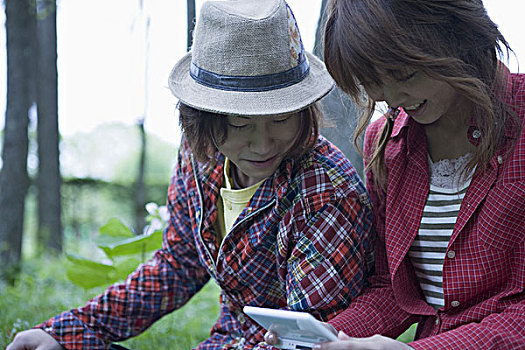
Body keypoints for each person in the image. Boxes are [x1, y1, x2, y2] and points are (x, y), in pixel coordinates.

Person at [7, 0, 375, 349]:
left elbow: (307, 335)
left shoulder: (326, 193)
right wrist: (69, 331)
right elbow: (178, 263)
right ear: (203, 120)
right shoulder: (200, 159)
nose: (263, 144)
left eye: (281, 119)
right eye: (240, 124)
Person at [264, 0, 525, 348]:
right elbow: (393, 290)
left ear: (457, 36)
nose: (393, 98)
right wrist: (322, 340)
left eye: (405, 75)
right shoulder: (386, 145)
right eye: (373, 83)